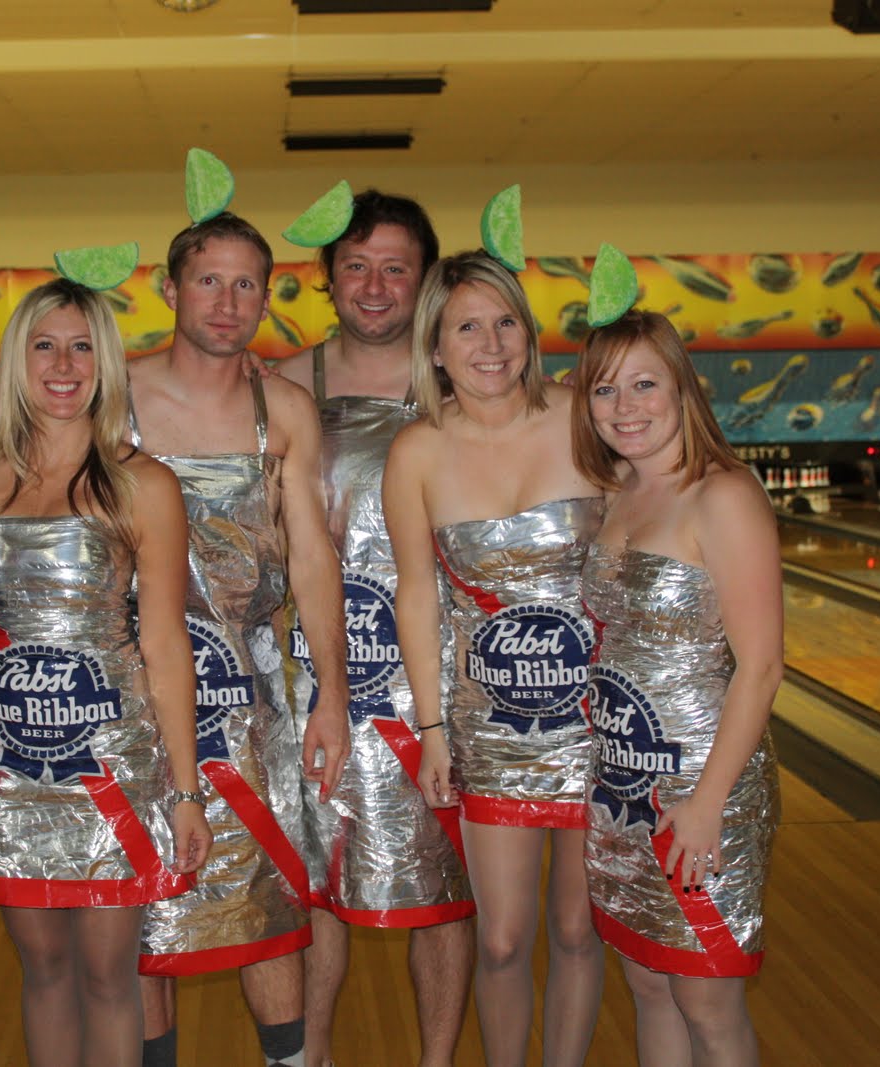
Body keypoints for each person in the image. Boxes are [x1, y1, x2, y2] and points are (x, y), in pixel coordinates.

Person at [0, 278, 212, 1066]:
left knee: (110, 974)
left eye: (82, 347)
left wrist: (185, 791)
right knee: (43, 969)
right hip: (11, 768)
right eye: (45, 345)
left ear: (105, 364)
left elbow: (167, 644)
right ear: (17, 361)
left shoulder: (144, 485)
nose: (63, 365)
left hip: (111, 766)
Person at [128, 212, 352, 1067]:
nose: (227, 302)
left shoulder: (283, 409)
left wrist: (330, 691)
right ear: (170, 287)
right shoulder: (116, 395)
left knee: (263, 904)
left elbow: (313, 561)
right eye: (208, 280)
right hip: (133, 686)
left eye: (246, 283)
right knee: (146, 902)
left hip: (250, 687)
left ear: (268, 294)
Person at [382, 251, 605, 1067]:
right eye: (466, 326)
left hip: (595, 719)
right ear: (435, 347)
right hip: (490, 723)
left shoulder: (584, 416)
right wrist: (433, 728)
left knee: (580, 927)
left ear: (529, 331)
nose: (490, 343)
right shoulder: (417, 452)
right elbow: (417, 595)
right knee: (505, 938)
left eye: (505, 320)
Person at [279, 191, 475, 1067]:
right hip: (313, 673)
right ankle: (312, 1054)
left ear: (427, 279)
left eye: (396, 266)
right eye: (355, 265)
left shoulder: (465, 382)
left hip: (436, 684)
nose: (374, 284)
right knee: (318, 883)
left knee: (447, 889)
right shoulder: (285, 384)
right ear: (327, 280)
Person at [571, 310, 781, 1067]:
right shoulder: (620, 489)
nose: (624, 406)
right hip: (625, 785)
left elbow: (760, 668)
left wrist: (707, 804)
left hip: (703, 787)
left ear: (682, 388)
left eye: (644, 383)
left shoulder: (722, 495)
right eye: (604, 389)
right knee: (648, 981)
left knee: (706, 996)